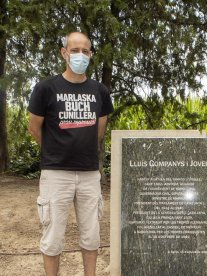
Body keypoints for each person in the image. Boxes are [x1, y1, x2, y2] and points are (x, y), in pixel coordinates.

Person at [28, 31, 113, 276]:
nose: (80, 55)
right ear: (64, 53)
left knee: (91, 236)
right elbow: (34, 128)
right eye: (74, 50)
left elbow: (99, 130)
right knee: (53, 238)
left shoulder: (100, 91)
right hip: (56, 174)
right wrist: (57, 151)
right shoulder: (46, 88)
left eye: (85, 51)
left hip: (89, 175)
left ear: (91, 55)